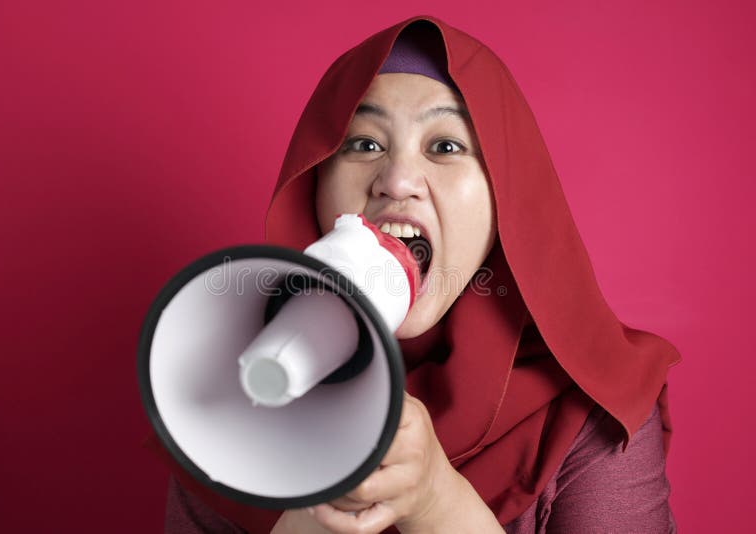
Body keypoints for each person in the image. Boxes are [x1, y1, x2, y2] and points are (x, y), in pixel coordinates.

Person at [154, 14, 681, 533]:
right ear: (313, 184)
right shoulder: (227, 394)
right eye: (364, 144)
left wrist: (435, 501)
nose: (397, 179)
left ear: (506, 196)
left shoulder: (589, 410)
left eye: (446, 146)